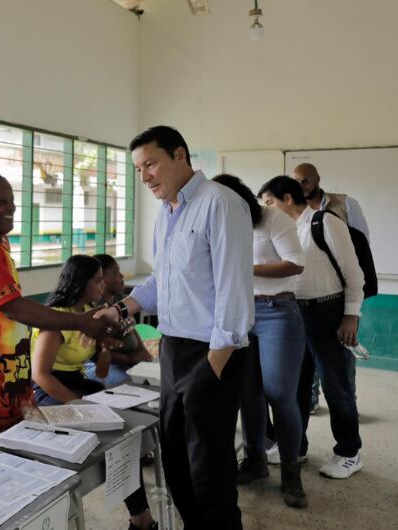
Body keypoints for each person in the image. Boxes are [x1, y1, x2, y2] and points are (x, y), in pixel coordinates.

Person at [113, 126, 254, 529]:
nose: (145, 177)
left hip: (213, 351)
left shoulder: (220, 203)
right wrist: (122, 308)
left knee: (209, 466)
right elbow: (162, 279)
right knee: (175, 455)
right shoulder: (168, 212)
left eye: (151, 164)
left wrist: (214, 364)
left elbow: (233, 288)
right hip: (174, 349)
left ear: (180, 155)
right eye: (139, 169)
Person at [0, 174, 118, 446]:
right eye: (1, 202)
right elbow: (13, 307)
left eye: (12, 200)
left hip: (6, 380)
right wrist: (80, 322)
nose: (12, 207)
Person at [31, 254, 157, 530]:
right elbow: (40, 374)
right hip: (49, 390)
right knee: (105, 431)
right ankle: (140, 518)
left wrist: (106, 350)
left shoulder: (89, 313)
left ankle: (141, 518)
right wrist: (78, 403)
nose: (103, 285)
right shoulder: (58, 318)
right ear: (81, 283)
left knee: (123, 435)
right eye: (98, 280)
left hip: (78, 382)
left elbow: (100, 372)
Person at [258, 176, 365, 480]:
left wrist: (351, 315)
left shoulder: (324, 223)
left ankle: (349, 452)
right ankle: (296, 447)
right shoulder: (281, 230)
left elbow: (354, 273)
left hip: (329, 312)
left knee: (336, 387)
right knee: (297, 387)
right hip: (293, 313)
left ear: (287, 199)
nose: (267, 209)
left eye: (269, 202)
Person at [213, 174, 308, 508]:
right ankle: (255, 461)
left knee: (280, 394)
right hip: (239, 313)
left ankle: (292, 473)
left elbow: (295, 263)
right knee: (247, 393)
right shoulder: (222, 223)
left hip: (276, 312)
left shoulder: (273, 218)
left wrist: (246, 268)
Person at [292, 162, 371, 414]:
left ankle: (348, 403)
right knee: (306, 366)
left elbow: (361, 246)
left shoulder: (345, 205)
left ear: (317, 179)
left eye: (306, 180)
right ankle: (312, 399)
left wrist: (352, 311)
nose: (302, 185)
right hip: (308, 300)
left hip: (341, 295)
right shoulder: (295, 215)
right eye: (297, 182)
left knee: (339, 366)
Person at [83, 254, 153, 388]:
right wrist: (130, 359)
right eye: (115, 273)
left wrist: (143, 351)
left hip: (127, 361)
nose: (121, 276)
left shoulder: (119, 301)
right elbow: (97, 352)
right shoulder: (96, 308)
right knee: (132, 383)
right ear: (102, 279)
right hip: (101, 365)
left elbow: (131, 329)